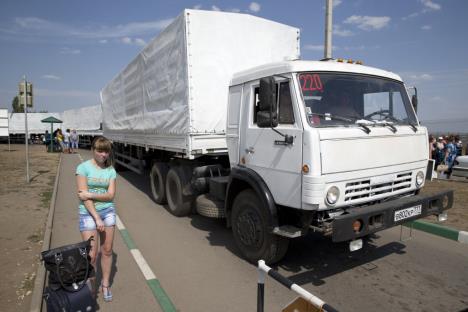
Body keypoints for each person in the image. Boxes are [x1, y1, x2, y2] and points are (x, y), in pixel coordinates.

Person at [76, 136, 116, 302]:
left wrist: (91, 194)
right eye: (100, 150)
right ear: (93, 150)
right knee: (91, 255)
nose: (103, 154)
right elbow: (82, 197)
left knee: (106, 251)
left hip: (108, 212)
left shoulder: (111, 170)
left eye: (106, 151)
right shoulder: (83, 168)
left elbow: (111, 195)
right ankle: (91, 287)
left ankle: (105, 284)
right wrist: (97, 218)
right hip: (88, 213)